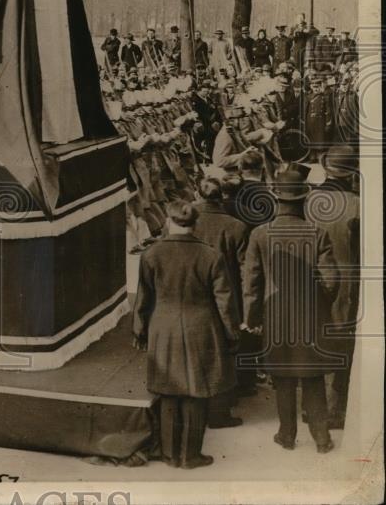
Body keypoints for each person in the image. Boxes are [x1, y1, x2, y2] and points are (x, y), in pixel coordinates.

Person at [132, 201, 239, 469]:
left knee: (168, 391)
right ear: (195, 224)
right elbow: (225, 301)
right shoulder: (211, 256)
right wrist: (232, 333)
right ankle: (190, 456)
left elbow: (143, 299)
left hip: (163, 327)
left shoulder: (152, 254)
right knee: (196, 391)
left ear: (169, 221)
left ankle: (169, 454)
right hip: (201, 328)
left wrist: (140, 330)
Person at [242, 164, 339, 453]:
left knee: (282, 377)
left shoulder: (260, 234)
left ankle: (286, 435)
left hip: (276, 318)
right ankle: (322, 439)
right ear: (305, 198)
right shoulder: (317, 233)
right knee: (313, 377)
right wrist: (320, 304)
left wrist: (252, 317)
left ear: (276, 198)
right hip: (311, 316)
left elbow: (252, 283)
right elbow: (332, 281)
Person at [306, 147, 360, 428]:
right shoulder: (356, 205)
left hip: (312, 281)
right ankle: (333, 410)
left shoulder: (310, 201)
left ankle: (312, 407)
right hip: (345, 285)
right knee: (340, 342)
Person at [193, 177, 252, 418]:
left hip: (192, 293)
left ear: (199, 195)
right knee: (225, 349)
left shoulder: (187, 220)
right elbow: (245, 269)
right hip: (227, 295)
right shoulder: (236, 226)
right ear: (222, 197)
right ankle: (222, 404)